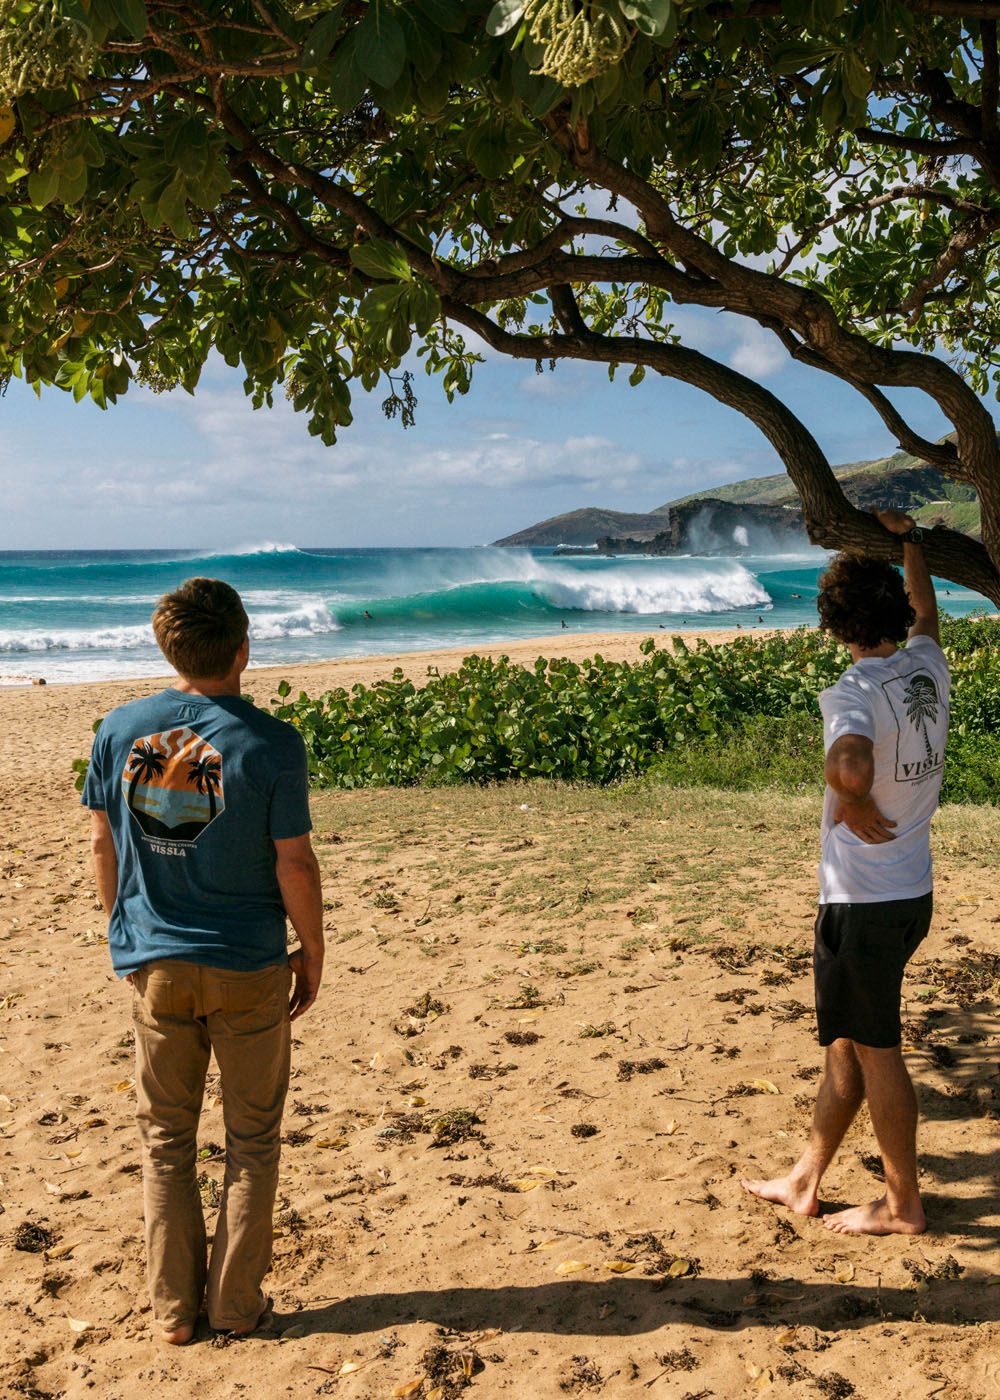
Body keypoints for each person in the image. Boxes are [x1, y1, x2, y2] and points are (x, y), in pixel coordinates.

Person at [82, 578, 324, 1342]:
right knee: (251, 1142)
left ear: (166, 647)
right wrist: (311, 952)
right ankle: (234, 1305)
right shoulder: (272, 742)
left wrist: (125, 933)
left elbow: (102, 844)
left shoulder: (120, 730)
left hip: (156, 963)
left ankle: (172, 1312)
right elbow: (295, 864)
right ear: (244, 647)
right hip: (248, 965)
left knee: (164, 1142)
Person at [743, 511, 949, 1236]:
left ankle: (902, 1203)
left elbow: (851, 760)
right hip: (909, 889)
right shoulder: (925, 661)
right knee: (850, 1041)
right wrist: (912, 543)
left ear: (834, 626)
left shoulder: (853, 691)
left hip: (864, 900)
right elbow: (926, 611)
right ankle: (805, 1178)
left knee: (879, 1050)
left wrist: (852, 791)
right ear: (892, 612)